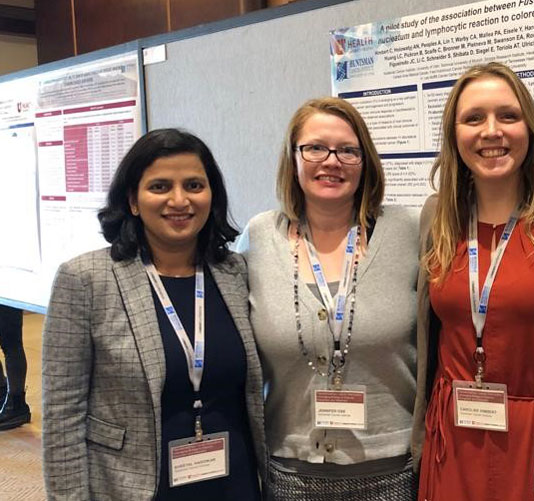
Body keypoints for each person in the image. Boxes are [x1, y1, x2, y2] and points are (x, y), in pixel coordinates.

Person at [42, 129, 266, 500]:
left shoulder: (234, 273)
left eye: (194, 185)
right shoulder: (85, 279)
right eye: (160, 187)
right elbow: (62, 416)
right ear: (132, 200)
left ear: (212, 196)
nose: (179, 200)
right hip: (135, 484)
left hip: (233, 480)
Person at [413, 62, 534, 501]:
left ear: (529, 128)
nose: (492, 131)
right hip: (453, 435)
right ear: (454, 134)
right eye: (474, 118)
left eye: (508, 116)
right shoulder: (437, 216)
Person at [237, 97, 419, 500]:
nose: (331, 161)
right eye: (315, 147)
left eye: (348, 150)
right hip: (289, 474)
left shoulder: (410, 231)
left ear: (365, 161)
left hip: (392, 471)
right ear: (293, 157)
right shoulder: (259, 238)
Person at [0, 304, 29, 430]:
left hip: (8, 289)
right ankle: (2, 391)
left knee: (11, 343)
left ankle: (16, 404)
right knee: (11, 344)